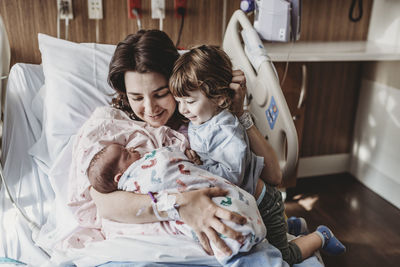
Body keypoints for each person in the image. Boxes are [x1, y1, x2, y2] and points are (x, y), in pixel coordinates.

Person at [88, 29, 283, 257]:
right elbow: (103, 201)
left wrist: (239, 115)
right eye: (137, 98)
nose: (150, 110)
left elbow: (275, 177)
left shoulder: (203, 116)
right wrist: (182, 205)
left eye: (161, 93)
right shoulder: (120, 131)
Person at [169, 45, 346, 266]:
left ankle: (320, 236)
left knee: (284, 255)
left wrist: (199, 168)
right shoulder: (200, 118)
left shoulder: (227, 131)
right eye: (179, 102)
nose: (183, 109)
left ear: (219, 98)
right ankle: (292, 226)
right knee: (272, 234)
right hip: (250, 201)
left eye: (190, 101)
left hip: (264, 203)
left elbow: (232, 176)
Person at [86, 139, 266, 264]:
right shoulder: (134, 179)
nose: (133, 149)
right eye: (126, 154)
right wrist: (176, 203)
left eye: (160, 93)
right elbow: (162, 174)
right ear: (120, 177)